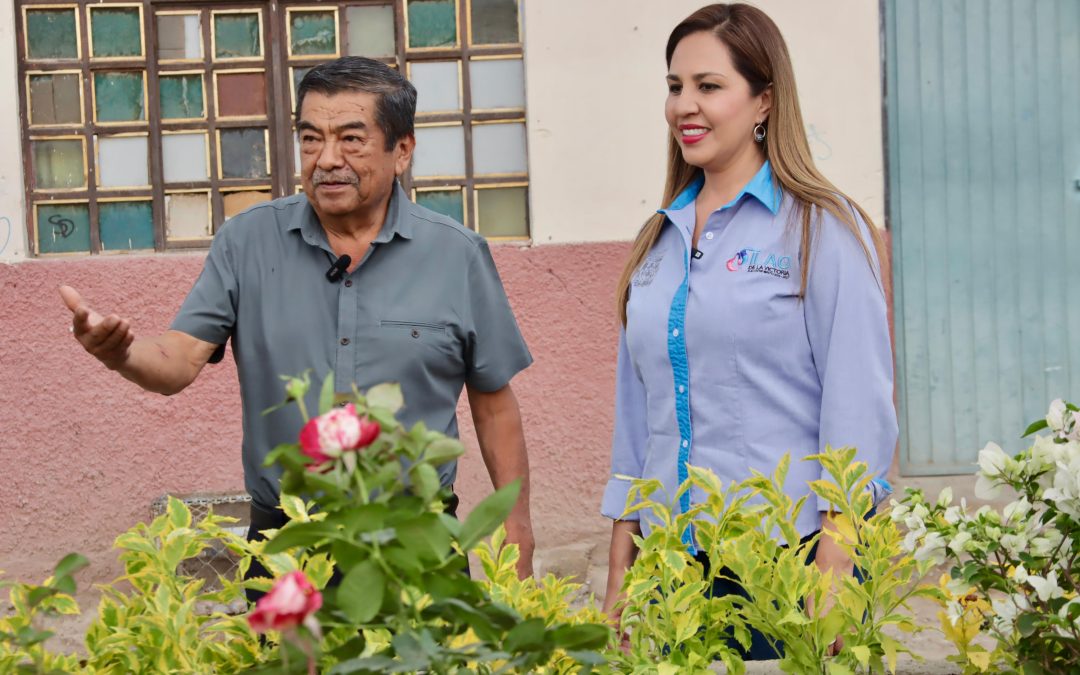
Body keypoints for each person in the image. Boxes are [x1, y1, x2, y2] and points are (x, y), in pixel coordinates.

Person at [60, 56, 535, 581]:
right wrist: (121, 352)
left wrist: (518, 529)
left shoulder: (457, 254)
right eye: (311, 139)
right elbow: (176, 361)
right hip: (286, 546)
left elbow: (493, 404)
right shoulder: (246, 242)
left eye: (352, 139)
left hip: (417, 540)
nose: (327, 159)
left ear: (402, 151)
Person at [599, 3, 897, 660]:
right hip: (672, 565)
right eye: (675, 86)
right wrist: (621, 565)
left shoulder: (822, 227)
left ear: (763, 100)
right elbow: (637, 418)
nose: (684, 105)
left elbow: (858, 409)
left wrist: (836, 565)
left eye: (709, 86)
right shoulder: (658, 240)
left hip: (790, 560)